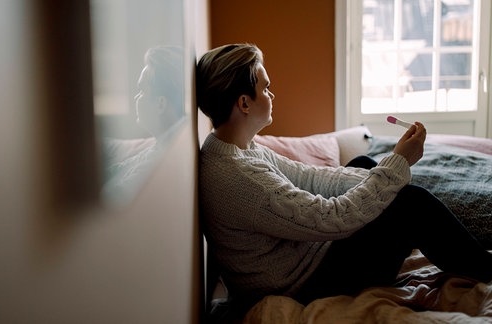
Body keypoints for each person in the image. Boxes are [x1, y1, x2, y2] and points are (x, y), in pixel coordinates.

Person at [196, 43, 492, 314]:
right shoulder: (241, 179)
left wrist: (381, 174)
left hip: (305, 261)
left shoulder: (234, 148)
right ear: (244, 104)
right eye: (266, 88)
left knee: (363, 166)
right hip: (303, 285)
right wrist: (397, 163)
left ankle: (457, 246)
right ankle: (486, 267)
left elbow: (310, 176)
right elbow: (332, 217)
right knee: (411, 204)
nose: (272, 95)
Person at [102, 45, 186, 205]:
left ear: (160, 104)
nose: (136, 97)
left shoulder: (160, 162)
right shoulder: (163, 144)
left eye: (141, 90)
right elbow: (118, 169)